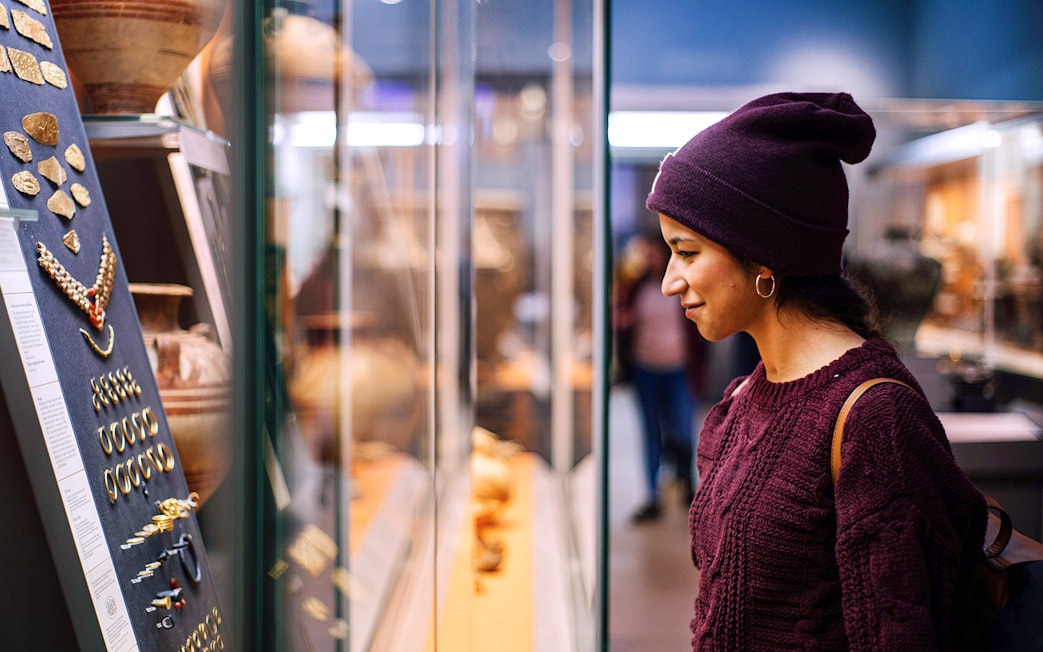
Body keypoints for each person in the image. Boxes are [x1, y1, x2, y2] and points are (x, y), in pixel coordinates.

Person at [645, 91, 987, 650]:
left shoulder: (875, 417)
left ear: (763, 255)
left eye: (686, 252)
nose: (668, 281)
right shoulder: (744, 398)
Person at [613, 233, 704, 522]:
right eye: (646, 251)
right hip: (645, 368)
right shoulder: (635, 287)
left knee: (682, 427)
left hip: (678, 367)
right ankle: (652, 495)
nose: (649, 257)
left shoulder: (682, 284)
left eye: (653, 251)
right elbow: (620, 318)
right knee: (651, 431)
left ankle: (688, 483)